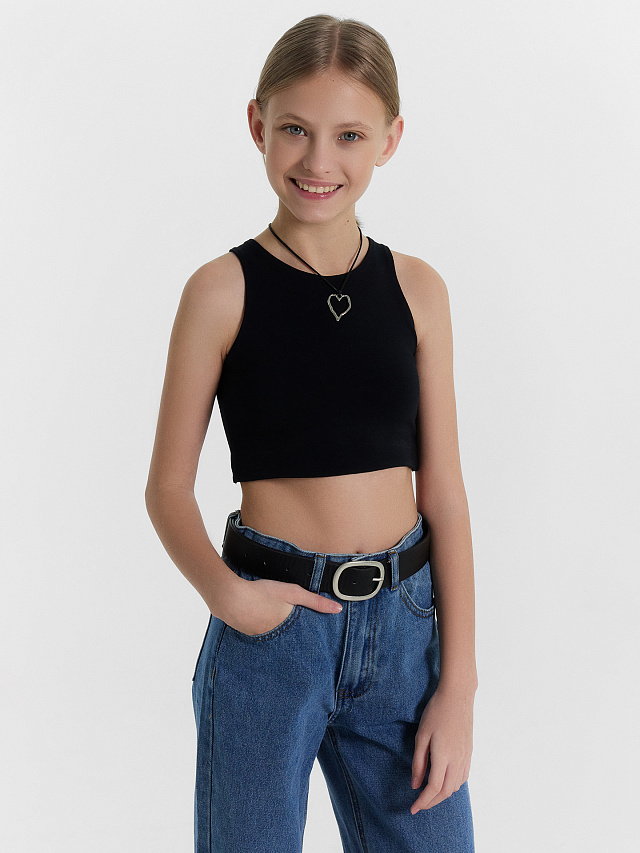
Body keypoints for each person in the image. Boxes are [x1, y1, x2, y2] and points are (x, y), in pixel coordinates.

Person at [145, 14, 477, 853]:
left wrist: (459, 684)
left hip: (405, 631)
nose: (318, 160)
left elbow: (444, 494)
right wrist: (231, 598)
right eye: (295, 129)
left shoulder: (419, 290)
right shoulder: (221, 291)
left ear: (390, 140)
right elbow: (167, 488)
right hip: (272, 634)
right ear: (257, 124)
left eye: (348, 135)